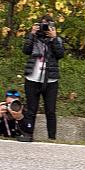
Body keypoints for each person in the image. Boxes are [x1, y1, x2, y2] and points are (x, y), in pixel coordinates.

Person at [21, 14, 64, 142]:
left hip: (50, 80)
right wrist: (32, 34)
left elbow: (60, 54)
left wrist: (54, 38)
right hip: (33, 78)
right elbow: (26, 50)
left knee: (50, 110)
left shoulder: (57, 40)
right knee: (31, 109)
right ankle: (28, 134)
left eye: (48, 25)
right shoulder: (34, 38)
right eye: (43, 25)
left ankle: (52, 138)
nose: (45, 28)